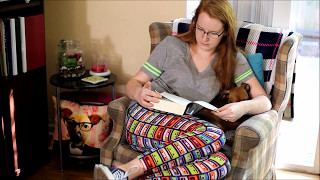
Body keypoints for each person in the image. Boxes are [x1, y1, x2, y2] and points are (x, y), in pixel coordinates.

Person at [94, 0, 271, 179]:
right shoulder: (171, 46)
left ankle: (123, 177)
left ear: (225, 32)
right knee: (214, 134)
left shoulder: (233, 60)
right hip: (145, 116)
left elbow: (264, 101)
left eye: (213, 33)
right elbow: (135, 82)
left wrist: (243, 107)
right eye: (200, 29)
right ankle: (124, 171)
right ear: (194, 23)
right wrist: (139, 93)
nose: (204, 37)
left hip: (185, 128)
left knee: (220, 164)